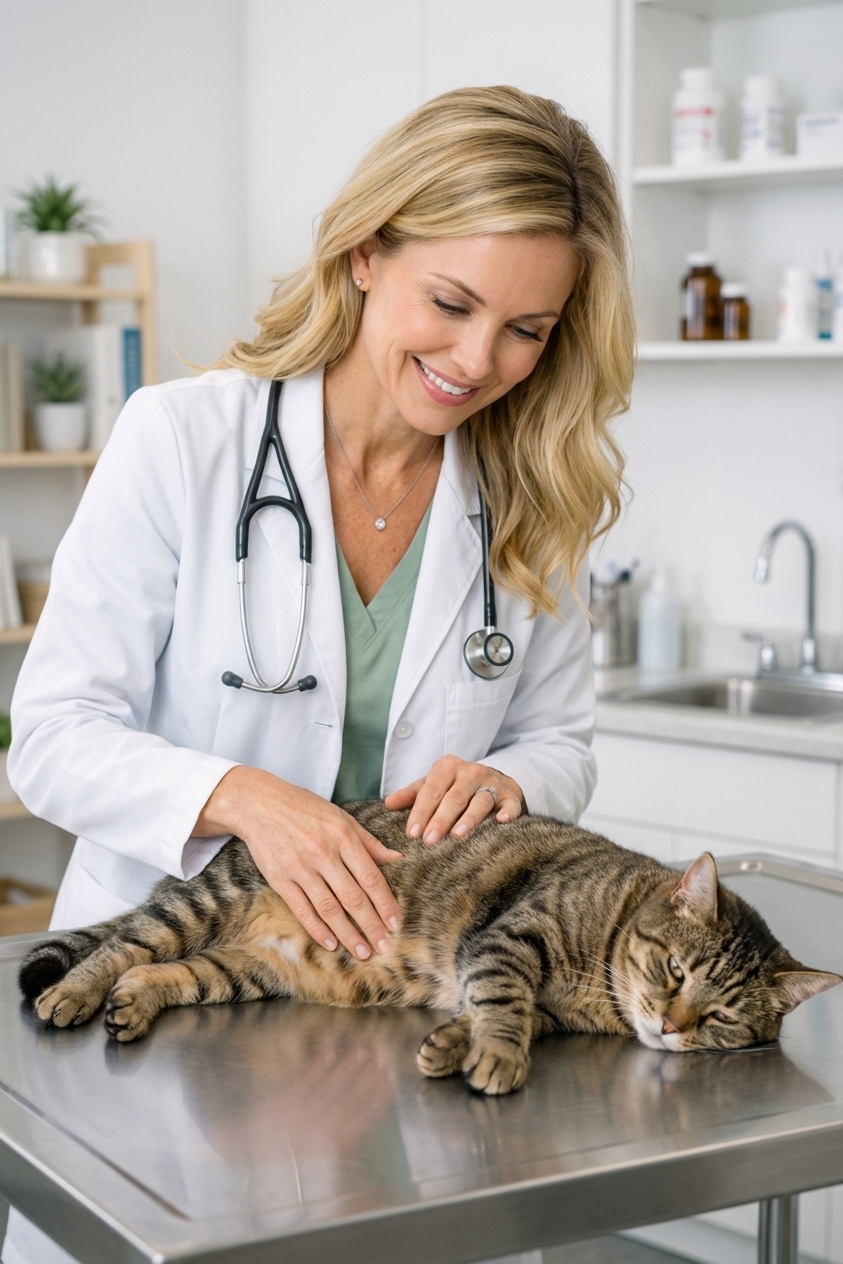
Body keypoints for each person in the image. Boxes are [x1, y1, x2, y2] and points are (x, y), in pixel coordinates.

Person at [4, 86, 634, 1264]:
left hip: (407, 1025)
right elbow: (48, 734)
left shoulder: (535, 494)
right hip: (174, 1015)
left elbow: (564, 742)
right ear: (364, 253)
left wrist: (511, 782)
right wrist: (241, 797)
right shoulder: (183, 440)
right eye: (450, 303)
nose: (476, 361)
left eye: (528, 330)